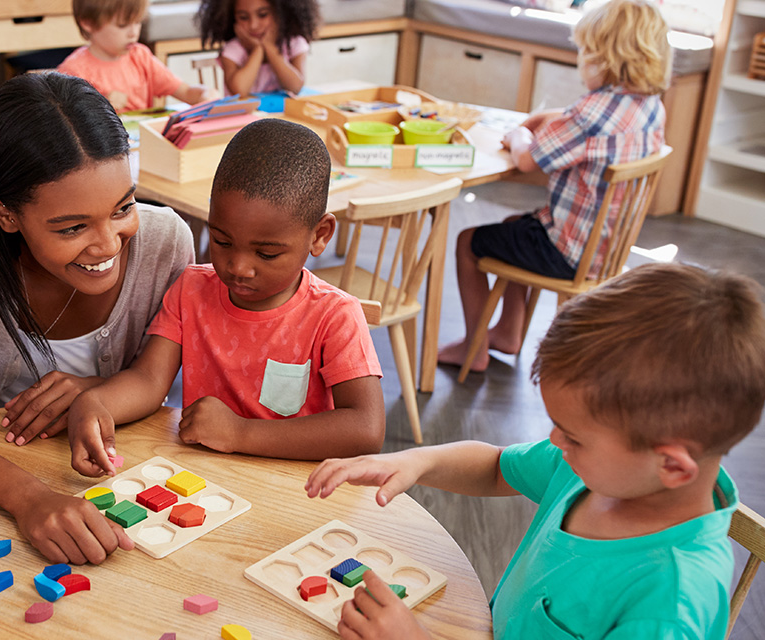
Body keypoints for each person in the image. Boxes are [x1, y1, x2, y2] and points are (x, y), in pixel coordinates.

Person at [307, 262, 765, 640]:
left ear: (672, 465)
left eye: (573, 435)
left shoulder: (667, 608)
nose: (554, 442)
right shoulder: (594, 471)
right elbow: (495, 467)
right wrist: (415, 460)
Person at [0, 72, 195, 564]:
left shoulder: (166, 242)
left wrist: (96, 388)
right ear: (3, 214)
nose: (108, 245)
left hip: (109, 485)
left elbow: (163, 386)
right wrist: (28, 498)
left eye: (123, 207)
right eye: (72, 227)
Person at [67, 118, 386, 478]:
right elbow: (149, 381)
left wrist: (240, 433)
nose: (238, 267)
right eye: (222, 242)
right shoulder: (191, 289)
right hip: (205, 481)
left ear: (320, 235)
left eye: (266, 254)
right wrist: (95, 402)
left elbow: (365, 429)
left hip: (296, 488)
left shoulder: (334, 316)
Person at [437, 0, 670, 372]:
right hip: (605, 249)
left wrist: (517, 135)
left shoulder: (590, 112)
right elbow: (589, 127)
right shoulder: (650, 105)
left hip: (567, 253)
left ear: (604, 59)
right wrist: (556, 117)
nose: (581, 63)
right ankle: (509, 332)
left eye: (585, 54)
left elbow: (529, 159)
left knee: (469, 242)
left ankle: (474, 348)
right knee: (516, 224)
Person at [57, 0, 220, 112]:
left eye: (137, 22)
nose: (133, 33)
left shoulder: (140, 56)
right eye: (123, 25)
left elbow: (187, 92)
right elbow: (68, 128)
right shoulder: (72, 71)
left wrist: (205, 94)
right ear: (89, 23)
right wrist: (100, 107)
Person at [196, 0, 319, 96]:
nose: (253, 25)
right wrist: (257, 50)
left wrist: (269, 47)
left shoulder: (294, 43)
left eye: (263, 15)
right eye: (243, 17)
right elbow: (239, 91)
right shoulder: (232, 50)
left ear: (282, 13)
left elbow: (295, 87)